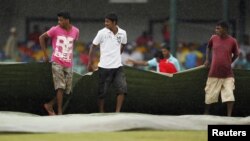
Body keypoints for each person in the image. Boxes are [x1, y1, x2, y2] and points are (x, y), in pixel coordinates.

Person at [39, 11, 79, 115]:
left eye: (61, 20)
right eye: (58, 20)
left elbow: (73, 44)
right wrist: (46, 55)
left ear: (67, 20)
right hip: (57, 61)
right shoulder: (55, 29)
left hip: (68, 63)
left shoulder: (76, 31)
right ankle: (60, 112)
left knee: (67, 90)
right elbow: (41, 38)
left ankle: (50, 105)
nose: (59, 22)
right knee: (60, 87)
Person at [87, 13, 127, 113]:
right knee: (102, 92)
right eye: (105, 21)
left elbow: (124, 44)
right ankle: (101, 112)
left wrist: (118, 55)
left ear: (114, 22)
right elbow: (93, 46)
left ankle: (117, 112)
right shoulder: (101, 33)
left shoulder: (123, 33)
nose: (105, 23)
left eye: (107, 22)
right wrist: (90, 62)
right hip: (104, 67)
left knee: (122, 89)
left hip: (118, 66)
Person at [204, 21, 239, 117]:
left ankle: (229, 116)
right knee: (209, 94)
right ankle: (206, 113)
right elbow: (208, 47)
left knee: (229, 95)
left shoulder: (232, 41)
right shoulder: (213, 38)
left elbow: (236, 54)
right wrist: (207, 60)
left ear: (225, 29)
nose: (216, 30)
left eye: (218, 28)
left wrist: (229, 62)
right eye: (216, 28)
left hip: (227, 74)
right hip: (213, 72)